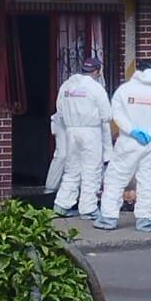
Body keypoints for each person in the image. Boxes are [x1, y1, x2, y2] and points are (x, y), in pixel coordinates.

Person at [94, 59, 151, 232]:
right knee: (148, 181)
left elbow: (116, 113)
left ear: (137, 69)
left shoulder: (124, 90)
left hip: (128, 142)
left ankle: (108, 218)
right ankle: (145, 220)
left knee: (116, 179)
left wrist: (132, 131)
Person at [52, 57, 112, 220]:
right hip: (91, 132)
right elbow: (107, 116)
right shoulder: (96, 88)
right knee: (91, 170)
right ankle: (88, 208)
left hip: (70, 131)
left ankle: (62, 204)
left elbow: (59, 110)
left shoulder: (66, 86)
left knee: (72, 169)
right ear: (97, 71)